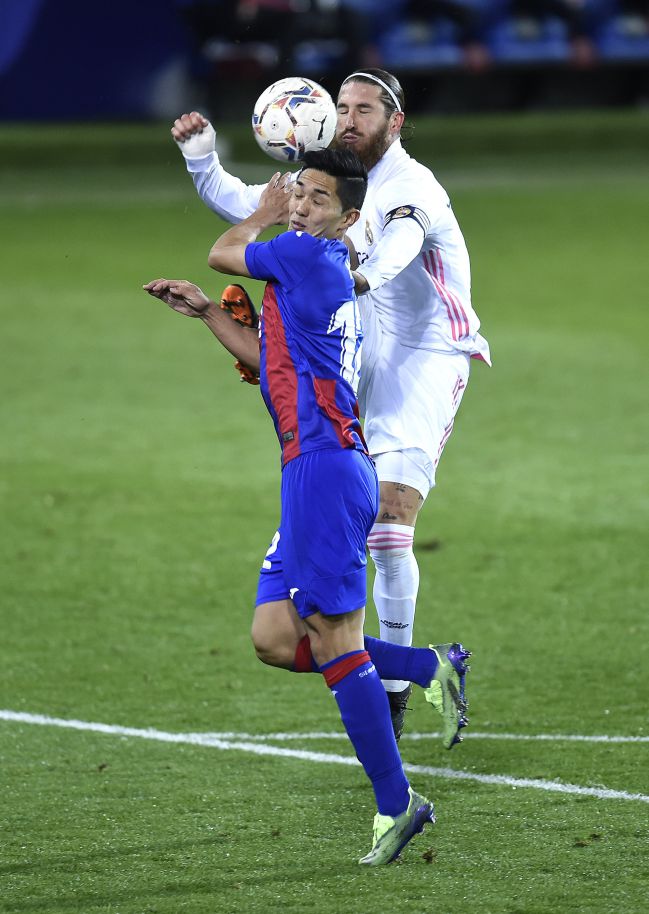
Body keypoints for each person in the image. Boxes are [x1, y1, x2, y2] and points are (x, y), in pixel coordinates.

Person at [143, 148, 470, 864]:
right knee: (273, 637)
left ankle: (396, 803)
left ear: (347, 218)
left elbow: (224, 249)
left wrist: (258, 210)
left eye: (315, 199)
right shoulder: (313, 272)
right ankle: (427, 666)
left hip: (324, 469)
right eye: (298, 195)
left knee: (333, 639)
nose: (299, 206)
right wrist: (204, 313)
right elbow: (273, 365)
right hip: (309, 468)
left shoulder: (307, 256)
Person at [171, 67, 489, 741]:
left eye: (364, 109)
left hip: (422, 355)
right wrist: (201, 160)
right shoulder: (329, 179)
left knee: (390, 523)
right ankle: (422, 667)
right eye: (341, 106)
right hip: (355, 346)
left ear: (393, 120)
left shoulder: (411, 186)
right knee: (302, 583)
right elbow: (252, 207)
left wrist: (360, 272)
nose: (348, 118)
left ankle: (397, 693)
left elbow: (400, 242)